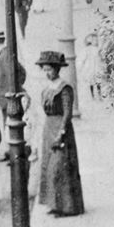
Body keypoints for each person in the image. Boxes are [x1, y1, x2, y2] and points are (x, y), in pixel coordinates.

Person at [35, 51, 85, 217]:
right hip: (48, 128)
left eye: (50, 69)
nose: (47, 72)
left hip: (60, 129)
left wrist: (61, 132)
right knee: (49, 167)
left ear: (57, 69)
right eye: (45, 69)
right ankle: (54, 204)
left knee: (60, 167)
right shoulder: (47, 88)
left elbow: (67, 113)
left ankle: (67, 206)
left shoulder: (65, 88)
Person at [0, 31, 26, 161]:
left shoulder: (4, 54)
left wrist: (16, 87)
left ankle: (14, 155)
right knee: (8, 125)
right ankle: (12, 153)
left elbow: (16, 72)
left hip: (7, 98)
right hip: (5, 97)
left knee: (10, 125)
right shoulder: (3, 53)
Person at [78, 33, 105, 101]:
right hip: (90, 67)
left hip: (97, 67)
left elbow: (101, 57)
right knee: (91, 82)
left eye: (96, 40)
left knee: (98, 81)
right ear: (91, 41)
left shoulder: (98, 49)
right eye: (94, 40)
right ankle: (92, 96)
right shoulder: (88, 49)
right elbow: (83, 58)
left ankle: (99, 95)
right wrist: (81, 66)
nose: (95, 41)